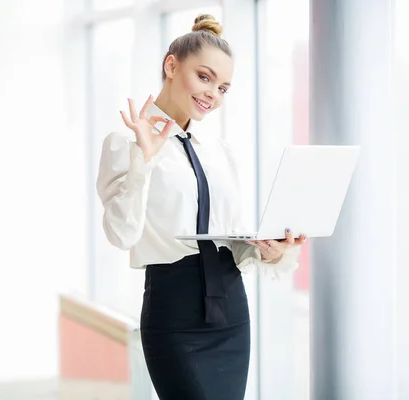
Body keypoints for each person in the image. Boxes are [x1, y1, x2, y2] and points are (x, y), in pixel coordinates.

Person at [96, 13, 306, 400]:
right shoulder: (123, 143)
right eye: (205, 77)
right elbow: (121, 234)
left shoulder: (218, 152)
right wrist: (144, 159)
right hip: (173, 312)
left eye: (224, 88)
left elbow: (228, 239)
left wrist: (274, 252)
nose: (213, 94)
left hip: (231, 310)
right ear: (171, 65)